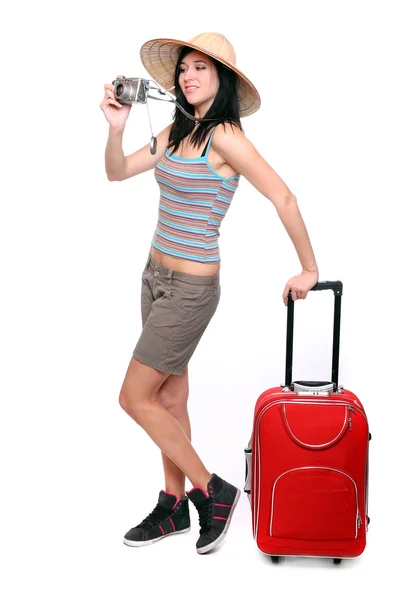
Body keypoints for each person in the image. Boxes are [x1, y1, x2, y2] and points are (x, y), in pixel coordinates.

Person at [100, 32, 319, 554]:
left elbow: (283, 196)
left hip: (192, 288)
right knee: (169, 397)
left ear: (221, 81)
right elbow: (117, 172)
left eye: (202, 68)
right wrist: (116, 129)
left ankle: (212, 491)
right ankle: (172, 506)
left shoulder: (225, 136)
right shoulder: (178, 129)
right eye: (183, 69)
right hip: (154, 277)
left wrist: (308, 269)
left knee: (134, 397)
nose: (189, 76)